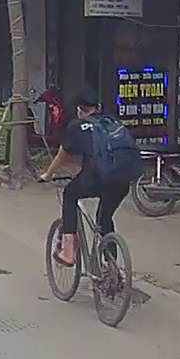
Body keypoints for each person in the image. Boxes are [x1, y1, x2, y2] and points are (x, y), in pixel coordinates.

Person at [39, 91, 138, 267]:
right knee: (104, 217)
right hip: (122, 180)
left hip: (97, 179)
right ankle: (112, 266)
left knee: (70, 194)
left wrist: (49, 174)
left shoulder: (78, 126)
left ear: (79, 109)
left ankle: (68, 252)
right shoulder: (112, 122)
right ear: (98, 107)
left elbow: (64, 155)